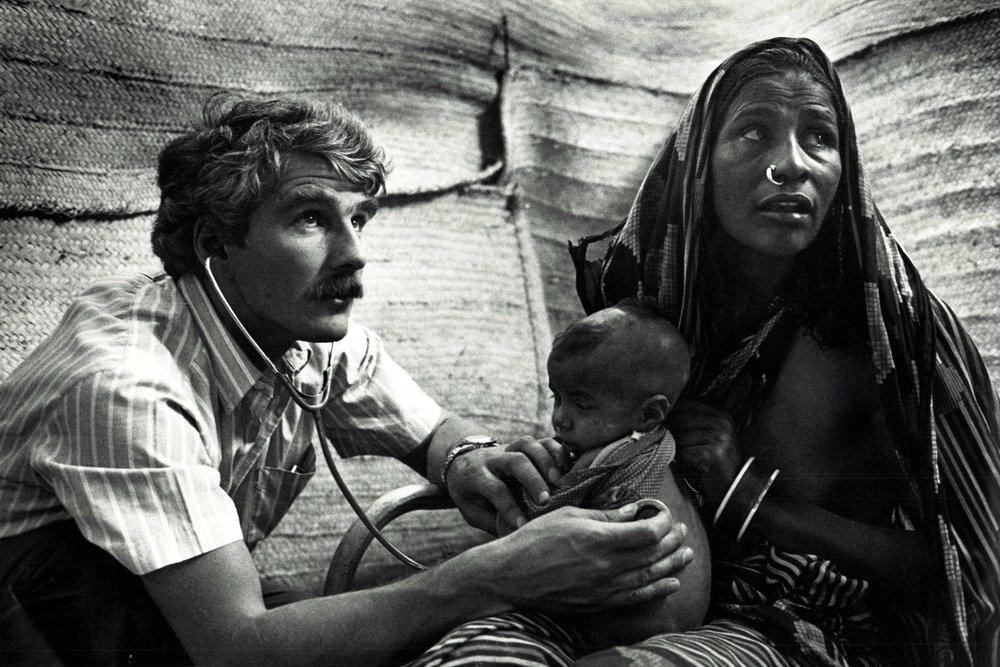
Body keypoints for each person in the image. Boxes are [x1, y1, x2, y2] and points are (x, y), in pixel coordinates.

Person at [0, 95, 695, 666]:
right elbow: (235, 648)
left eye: (357, 217)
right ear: (215, 244)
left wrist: (473, 462)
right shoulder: (130, 386)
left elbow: (436, 436)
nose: (355, 254)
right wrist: (494, 573)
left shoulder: (302, 336)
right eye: (311, 217)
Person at [567, 36, 1000, 665]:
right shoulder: (654, 311)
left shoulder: (891, 337)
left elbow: (976, 567)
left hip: (813, 633)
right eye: (753, 133)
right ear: (697, 165)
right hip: (633, 597)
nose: (791, 164)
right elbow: (606, 445)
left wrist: (757, 502)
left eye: (820, 137)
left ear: (844, 168)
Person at [501, 303, 712, 648]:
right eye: (558, 397)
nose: (560, 419)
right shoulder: (656, 446)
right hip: (686, 622)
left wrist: (520, 488)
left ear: (649, 413)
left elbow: (534, 533)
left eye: (581, 404)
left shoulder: (605, 460)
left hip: (632, 626)